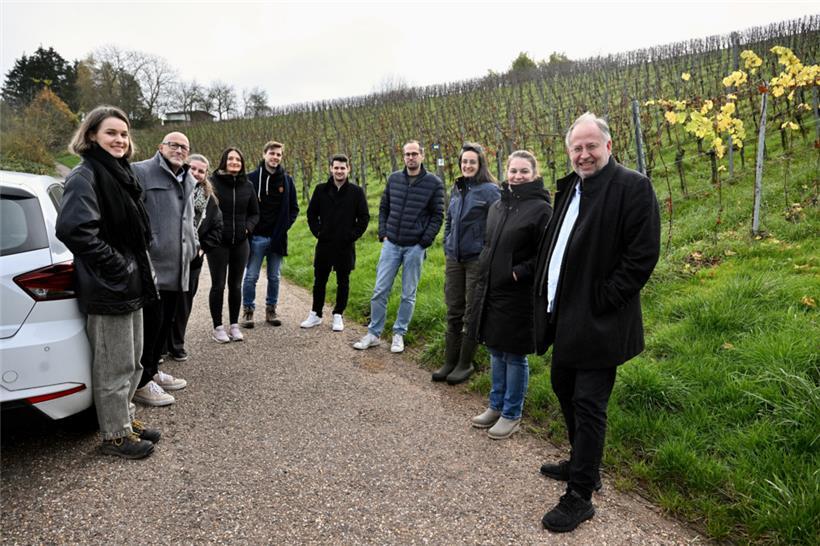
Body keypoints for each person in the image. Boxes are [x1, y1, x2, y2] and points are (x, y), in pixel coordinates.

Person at [533, 112, 661, 532]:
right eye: (577, 148)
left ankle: (580, 495)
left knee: (589, 403)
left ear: (608, 146)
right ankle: (582, 462)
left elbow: (642, 255)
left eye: (591, 146)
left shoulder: (632, 187)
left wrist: (604, 299)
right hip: (564, 314)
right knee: (563, 387)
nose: (584, 154)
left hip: (599, 319)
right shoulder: (571, 186)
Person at [55, 105, 160, 458]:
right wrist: (117, 266)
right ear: (91, 135)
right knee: (114, 365)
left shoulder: (120, 173)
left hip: (131, 283)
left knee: (133, 362)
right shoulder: (85, 175)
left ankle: (125, 420)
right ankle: (114, 436)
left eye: (124, 134)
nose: (119, 139)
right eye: (111, 133)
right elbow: (74, 229)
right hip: (109, 285)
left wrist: (132, 269)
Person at [469, 151, 552, 439]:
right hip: (492, 289)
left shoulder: (541, 210)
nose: (517, 176)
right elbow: (489, 244)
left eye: (524, 171)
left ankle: (512, 413)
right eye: (513, 171)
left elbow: (545, 255)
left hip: (519, 293)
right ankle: (495, 406)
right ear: (506, 172)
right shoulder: (498, 205)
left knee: (514, 354)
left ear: (534, 174)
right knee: (495, 348)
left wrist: (517, 272)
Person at [353, 140, 444, 353]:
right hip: (391, 244)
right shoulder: (394, 178)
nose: (410, 158)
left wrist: (424, 242)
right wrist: (383, 234)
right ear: (403, 157)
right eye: (407, 154)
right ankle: (374, 333)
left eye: (414, 154)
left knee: (408, 294)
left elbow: (437, 215)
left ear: (422, 155)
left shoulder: (434, 183)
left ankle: (399, 334)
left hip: (415, 247)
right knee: (380, 290)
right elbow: (384, 207)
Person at [131, 131, 197, 406]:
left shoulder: (188, 178)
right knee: (150, 324)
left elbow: (189, 218)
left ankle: (153, 372)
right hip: (153, 267)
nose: (179, 150)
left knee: (165, 324)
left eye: (184, 147)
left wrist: (193, 245)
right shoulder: (141, 172)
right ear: (161, 147)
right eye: (173, 145)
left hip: (178, 267)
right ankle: (141, 383)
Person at [432, 142, 500, 385]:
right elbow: (450, 220)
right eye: (464, 161)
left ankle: (465, 363)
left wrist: (484, 254)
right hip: (454, 259)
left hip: (475, 261)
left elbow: (496, 227)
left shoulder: (491, 191)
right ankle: (449, 361)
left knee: (472, 312)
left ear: (480, 164)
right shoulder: (458, 187)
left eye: (472, 161)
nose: (468, 165)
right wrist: (447, 243)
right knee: (453, 309)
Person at [301, 154, 370, 331]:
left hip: (345, 245)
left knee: (343, 281)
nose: (339, 171)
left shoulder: (356, 192)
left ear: (348, 169)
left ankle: (338, 315)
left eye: (342, 168)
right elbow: (311, 214)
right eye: (336, 168)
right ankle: (315, 314)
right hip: (325, 243)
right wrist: (318, 232)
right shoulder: (320, 190)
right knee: (319, 280)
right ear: (331, 168)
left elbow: (364, 217)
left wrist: (352, 236)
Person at [166, 154, 222, 359]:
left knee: (184, 304)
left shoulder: (209, 200)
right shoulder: (170, 191)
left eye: (201, 171)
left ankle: (177, 344)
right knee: (164, 302)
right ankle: (160, 346)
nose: (196, 173)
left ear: (206, 175)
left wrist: (202, 248)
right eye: (193, 169)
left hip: (192, 260)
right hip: (168, 257)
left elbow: (217, 227)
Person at [241, 141, 298, 328]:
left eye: (278, 154)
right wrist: (248, 228)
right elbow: (243, 207)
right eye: (272, 153)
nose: (275, 157)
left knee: (274, 277)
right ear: (264, 154)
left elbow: (294, 209)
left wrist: (283, 228)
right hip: (256, 237)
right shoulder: (250, 179)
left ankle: (271, 310)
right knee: (251, 276)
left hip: (277, 238)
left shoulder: (287, 181)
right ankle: (248, 311)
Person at [208, 147, 259, 342]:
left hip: (240, 243)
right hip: (218, 243)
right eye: (230, 159)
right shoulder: (212, 183)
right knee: (218, 285)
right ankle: (218, 327)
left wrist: (247, 228)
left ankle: (234, 325)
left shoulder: (248, 186)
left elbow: (255, 213)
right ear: (224, 161)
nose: (234, 162)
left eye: (238, 160)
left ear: (242, 163)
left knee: (236, 285)